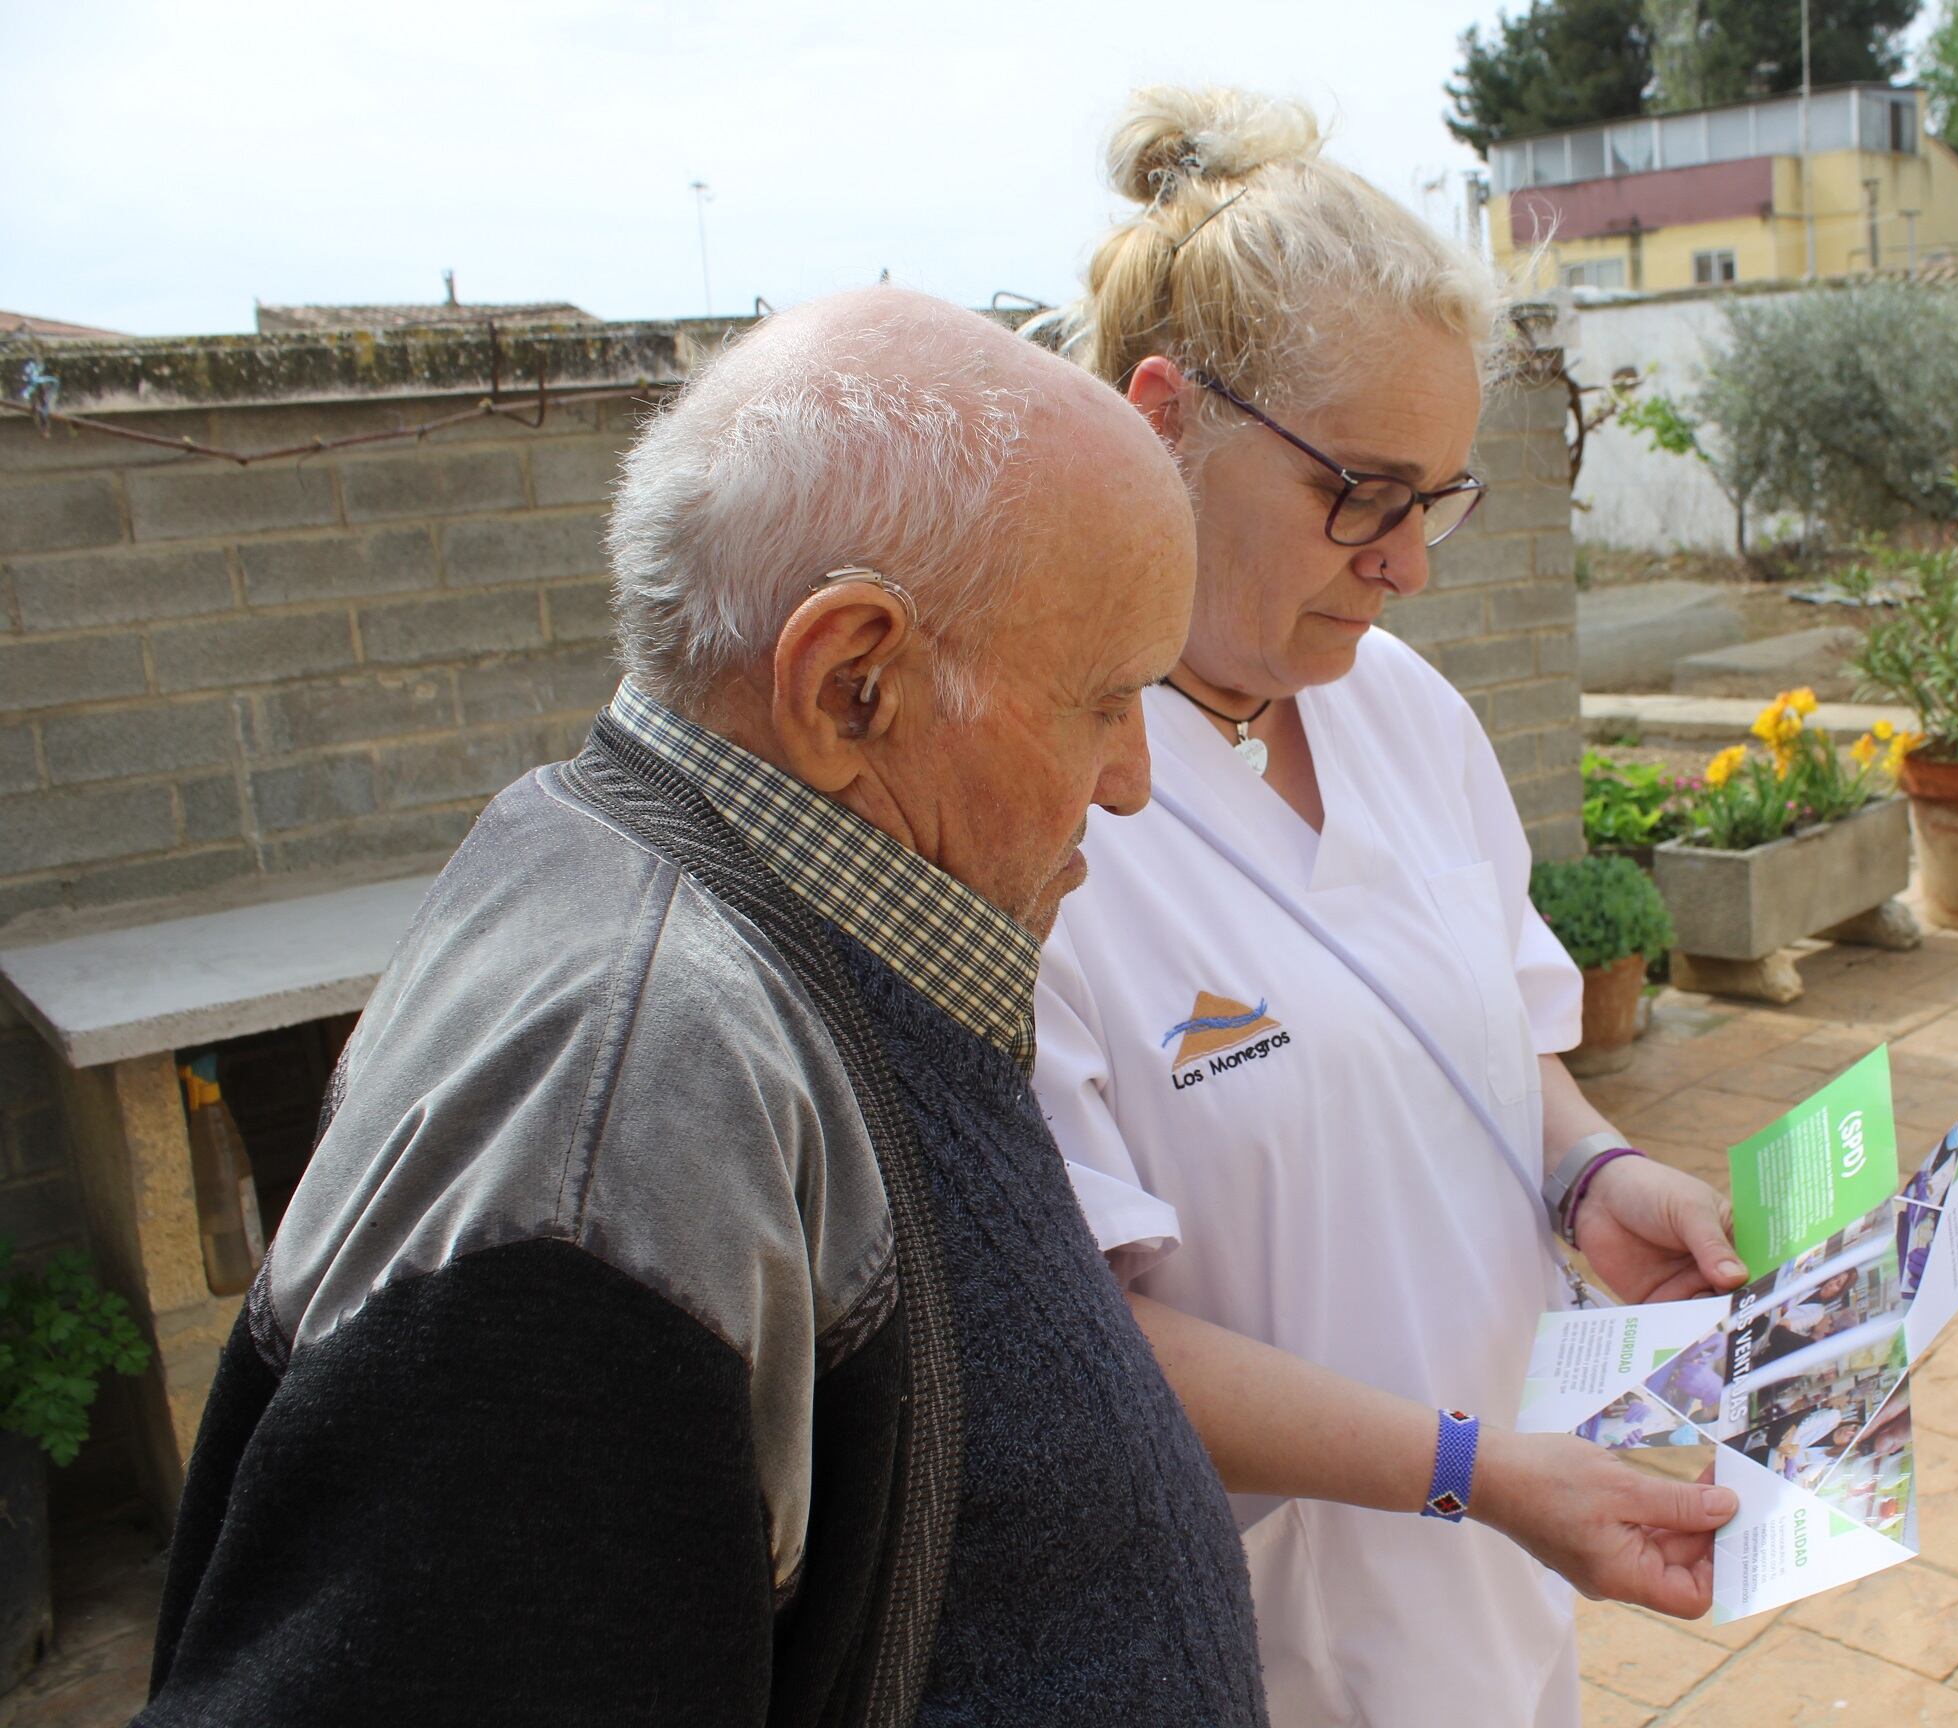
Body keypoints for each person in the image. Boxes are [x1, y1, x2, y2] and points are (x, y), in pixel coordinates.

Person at [142, 289, 1266, 1727]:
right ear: (851, 684)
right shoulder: (625, 1099)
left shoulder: (763, 945)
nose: (1132, 778)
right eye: (1106, 701)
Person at [1028, 89, 1750, 1727]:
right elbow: (1086, 1340)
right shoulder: (1029, 818)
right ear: (1161, 421)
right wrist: (1471, 1474)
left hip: (1499, 1597)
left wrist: (1592, 1174)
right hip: (1259, 1655)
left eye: (1437, 498)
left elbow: (1489, 1037)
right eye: (1363, 492)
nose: (1409, 562)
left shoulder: (1402, 709)